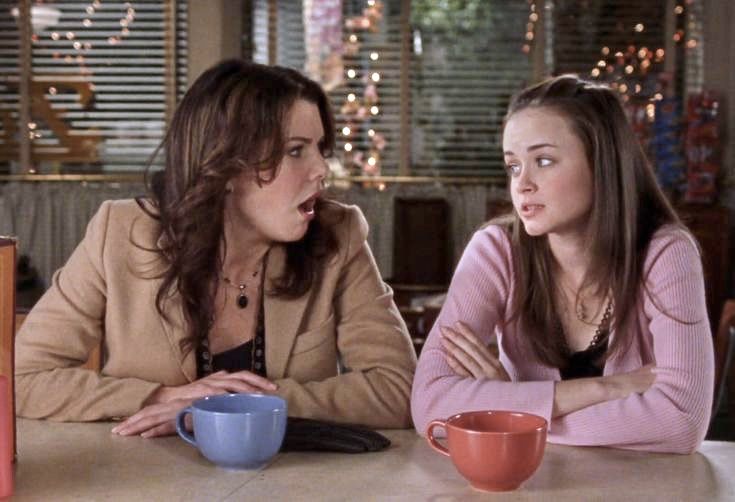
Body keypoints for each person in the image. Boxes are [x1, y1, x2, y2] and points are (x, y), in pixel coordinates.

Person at [15, 59, 416, 437]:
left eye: (320, 148)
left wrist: (243, 405)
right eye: (296, 150)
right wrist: (160, 398)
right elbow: (20, 377)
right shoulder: (120, 233)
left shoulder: (337, 236)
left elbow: (399, 391)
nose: (321, 169)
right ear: (225, 166)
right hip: (147, 479)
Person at [411, 75, 714, 454]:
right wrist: (604, 389)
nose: (522, 184)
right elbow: (430, 406)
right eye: (513, 166)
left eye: (544, 161)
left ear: (602, 164)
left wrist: (510, 409)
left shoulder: (665, 252)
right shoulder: (496, 251)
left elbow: (680, 421)